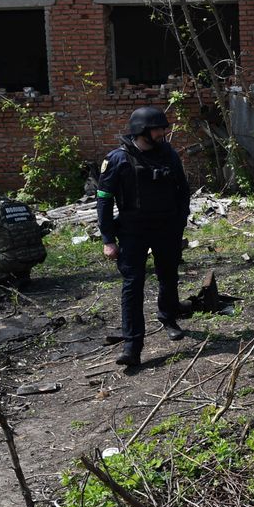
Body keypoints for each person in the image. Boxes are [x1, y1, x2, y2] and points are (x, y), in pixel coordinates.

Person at [97, 106, 191, 367]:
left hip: (166, 228)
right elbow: (103, 200)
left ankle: (168, 318)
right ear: (142, 130)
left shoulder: (168, 154)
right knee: (133, 284)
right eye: (158, 128)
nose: (163, 133)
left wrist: (180, 221)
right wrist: (108, 239)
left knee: (168, 275)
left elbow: (183, 190)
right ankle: (132, 346)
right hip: (132, 231)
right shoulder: (117, 159)